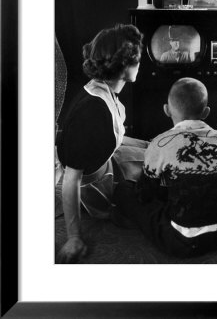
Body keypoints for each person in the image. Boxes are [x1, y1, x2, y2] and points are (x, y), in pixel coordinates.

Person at [111, 78, 217, 258]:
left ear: (167, 110)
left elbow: (144, 195)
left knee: (124, 190)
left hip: (181, 242)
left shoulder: (161, 142)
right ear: (206, 112)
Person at [56, 24, 148, 263]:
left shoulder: (105, 89)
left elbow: (113, 137)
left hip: (107, 163)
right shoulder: (92, 112)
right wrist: (73, 237)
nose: (140, 64)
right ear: (123, 65)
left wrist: (151, 145)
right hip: (96, 187)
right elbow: (71, 178)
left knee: (153, 151)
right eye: (137, 59)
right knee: (157, 176)